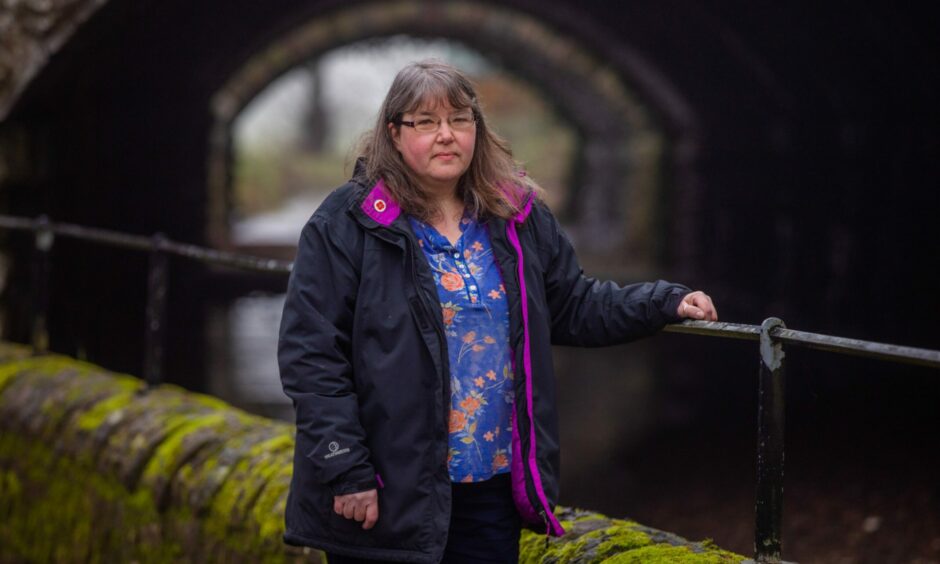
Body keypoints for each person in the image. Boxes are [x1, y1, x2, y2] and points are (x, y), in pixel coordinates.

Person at [278, 59, 717, 564]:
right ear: (394, 134)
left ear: (477, 130)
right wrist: (346, 470)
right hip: (386, 489)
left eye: (459, 120)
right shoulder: (346, 224)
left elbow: (572, 304)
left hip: (491, 484)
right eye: (425, 122)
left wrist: (662, 302)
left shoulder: (515, 216)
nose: (446, 135)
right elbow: (311, 356)